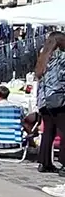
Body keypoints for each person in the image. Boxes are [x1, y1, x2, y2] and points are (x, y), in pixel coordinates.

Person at [34, 32, 65, 176]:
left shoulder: (43, 58)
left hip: (43, 100)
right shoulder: (61, 57)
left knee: (49, 131)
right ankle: (64, 164)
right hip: (58, 98)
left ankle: (44, 162)